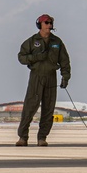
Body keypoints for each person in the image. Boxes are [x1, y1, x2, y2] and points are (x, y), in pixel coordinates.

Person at [16, 14, 71, 146]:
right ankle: (23, 137)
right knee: (30, 107)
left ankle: (42, 138)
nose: (49, 25)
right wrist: (36, 58)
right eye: (46, 22)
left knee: (48, 109)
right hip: (36, 77)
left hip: (51, 78)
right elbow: (21, 57)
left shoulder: (57, 42)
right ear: (40, 24)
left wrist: (65, 77)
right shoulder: (31, 41)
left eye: (51, 22)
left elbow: (65, 61)